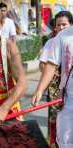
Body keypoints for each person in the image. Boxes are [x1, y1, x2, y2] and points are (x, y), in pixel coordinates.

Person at [38, 11, 73, 147]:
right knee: (59, 127)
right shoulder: (54, 41)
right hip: (61, 93)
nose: (61, 27)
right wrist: (41, 88)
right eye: (59, 25)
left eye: (64, 24)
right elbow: (46, 64)